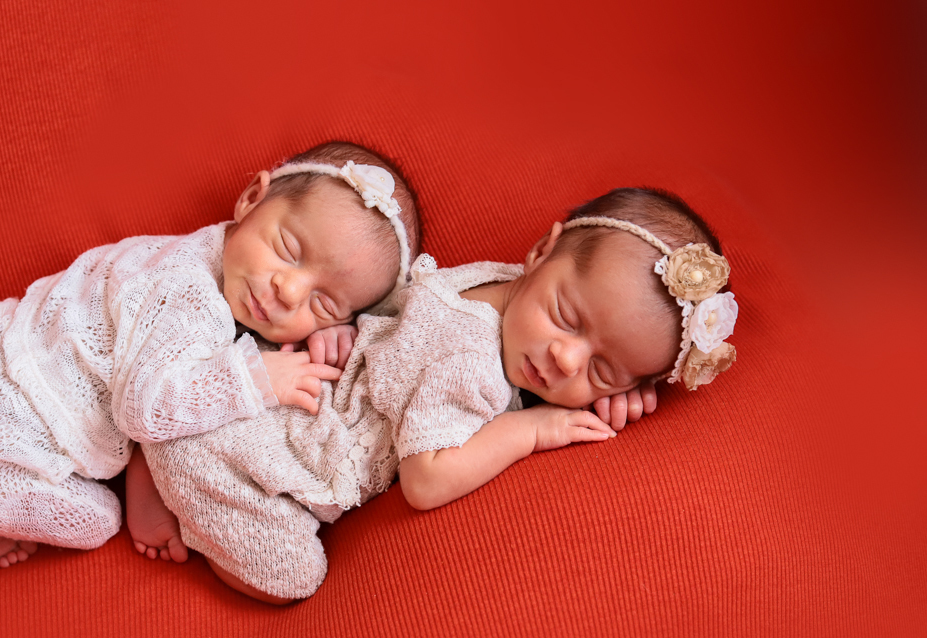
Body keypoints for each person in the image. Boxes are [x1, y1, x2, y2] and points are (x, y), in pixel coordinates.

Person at [128, 187, 738, 603]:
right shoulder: (469, 364)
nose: (564, 358)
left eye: (604, 370)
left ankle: (159, 456)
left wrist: (612, 392)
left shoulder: (498, 284)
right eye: (566, 316)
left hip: (273, 408)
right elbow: (424, 478)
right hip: (261, 454)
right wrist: (532, 429)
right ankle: (163, 461)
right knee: (290, 579)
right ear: (542, 252)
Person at [0, 141, 422, 568]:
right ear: (253, 197)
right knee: (97, 521)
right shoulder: (184, 293)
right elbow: (145, 409)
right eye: (288, 250)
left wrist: (333, 334)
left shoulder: (203, 257)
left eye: (324, 303)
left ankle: (68, 483)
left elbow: (219, 347)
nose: (288, 292)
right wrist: (257, 379)